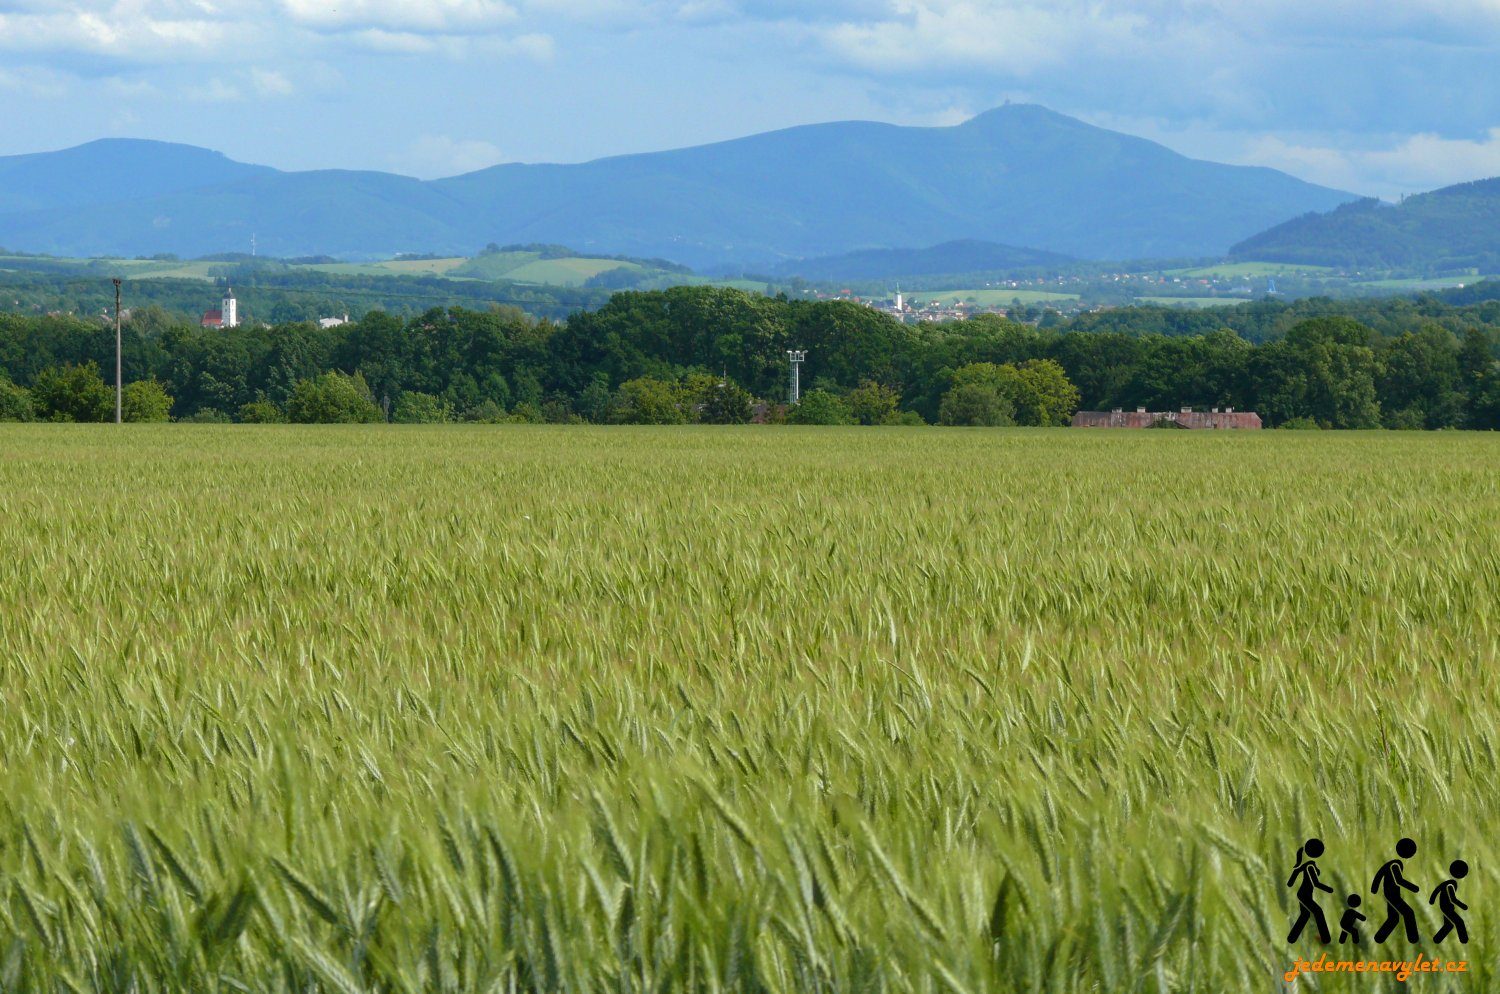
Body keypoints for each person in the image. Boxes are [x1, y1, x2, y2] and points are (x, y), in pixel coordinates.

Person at [1372, 838, 1421, 943]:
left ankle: (1378, 938)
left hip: (1390, 893)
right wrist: (1414, 888)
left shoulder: (1391, 863)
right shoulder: (1395, 865)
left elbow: (1379, 874)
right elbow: (1399, 880)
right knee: (1409, 913)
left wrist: (1374, 888)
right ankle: (1415, 940)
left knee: (1393, 918)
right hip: (1392, 894)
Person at [1287, 838, 1334, 944]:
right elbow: (1316, 883)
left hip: (1304, 893)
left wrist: (1291, 881)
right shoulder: (1310, 866)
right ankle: (1326, 939)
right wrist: (1329, 889)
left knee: (1305, 915)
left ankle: (1293, 938)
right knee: (1318, 912)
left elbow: (1293, 876)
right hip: (1304, 894)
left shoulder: (1307, 865)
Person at [1430, 860, 1470, 944]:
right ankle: (1464, 940)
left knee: (1448, 925)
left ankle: (1436, 940)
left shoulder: (1447, 882)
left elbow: (1437, 890)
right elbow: (1453, 899)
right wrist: (1463, 906)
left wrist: (1432, 900)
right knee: (1459, 922)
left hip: (1444, 906)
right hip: (1446, 907)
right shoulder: (1450, 884)